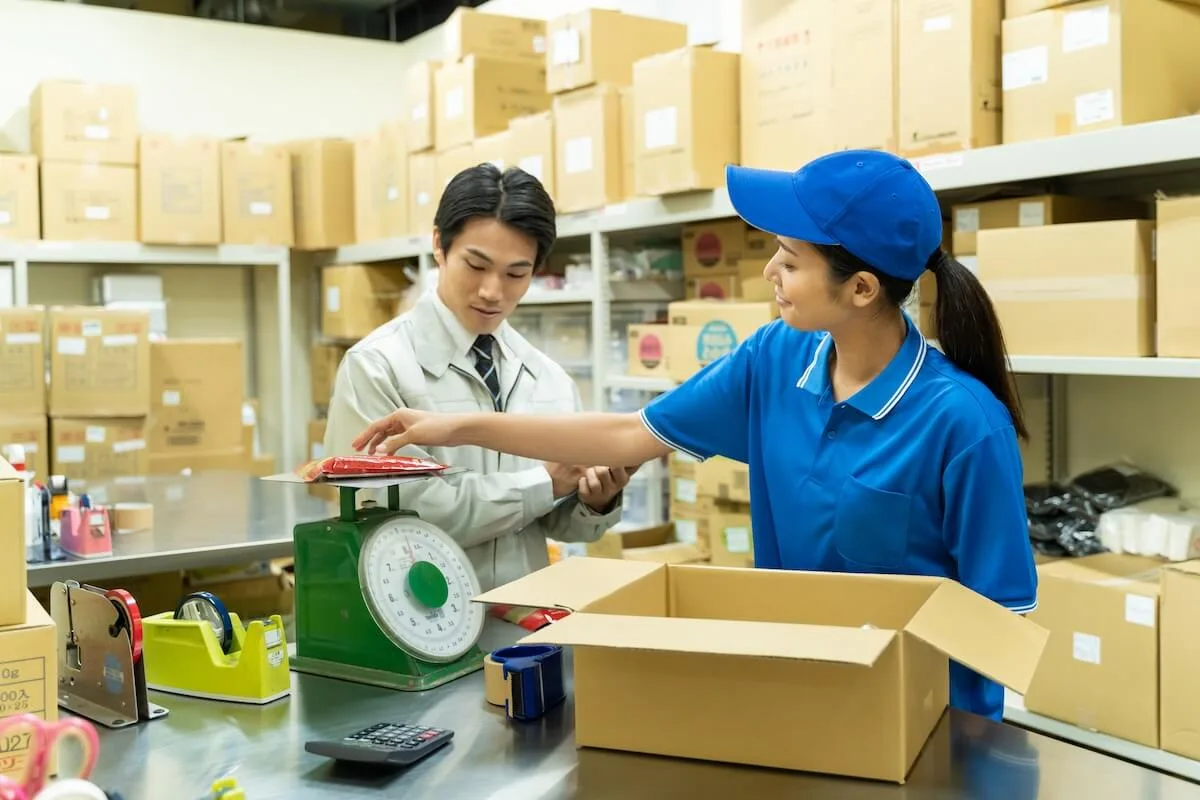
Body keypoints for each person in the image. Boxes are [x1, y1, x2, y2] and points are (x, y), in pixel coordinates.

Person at [351, 149, 1037, 722]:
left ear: (860, 289)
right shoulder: (776, 359)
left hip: (916, 721)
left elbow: (999, 623)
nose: (770, 271)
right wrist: (451, 424)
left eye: (790, 261)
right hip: (794, 700)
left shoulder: (964, 424)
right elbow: (627, 433)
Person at [323, 163, 629, 591]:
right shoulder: (376, 367)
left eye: (515, 274)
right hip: (417, 633)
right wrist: (544, 481)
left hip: (524, 629)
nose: (492, 291)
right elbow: (394, 519)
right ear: (439, 245)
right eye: (476, 265)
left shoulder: (548, 378)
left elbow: (564, 526)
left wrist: (596, 500)